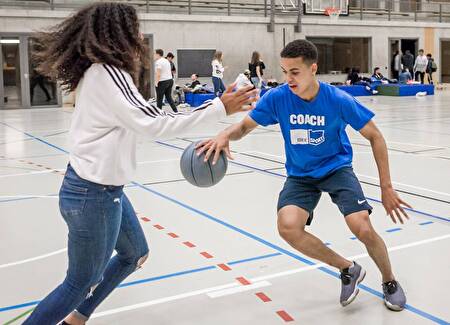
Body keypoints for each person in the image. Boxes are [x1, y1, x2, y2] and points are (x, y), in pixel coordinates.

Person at [23, 3, 257, 324]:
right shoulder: (109, 73)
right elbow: (153, 125)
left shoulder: (101, 73)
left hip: (101, 190)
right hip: (93, 195)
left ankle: (78, 318)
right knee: (79, 283)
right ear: (117, 33)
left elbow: (142, 119)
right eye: (132, 28)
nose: (137, 36)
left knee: (134, 254)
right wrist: (218, 107)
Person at [198, 39, 410, 312]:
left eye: (295, 72)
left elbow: (375, 136)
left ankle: (389, 281)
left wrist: (386, 188)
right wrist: (224, 135)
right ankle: (348, 268)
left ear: (313, 69)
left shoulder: (337, 100)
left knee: (362, 226)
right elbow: (244, 127)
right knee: (287, 226)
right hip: (300, 175)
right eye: (285, 72)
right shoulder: (278, 98)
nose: (288, 79)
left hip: (336, 168)